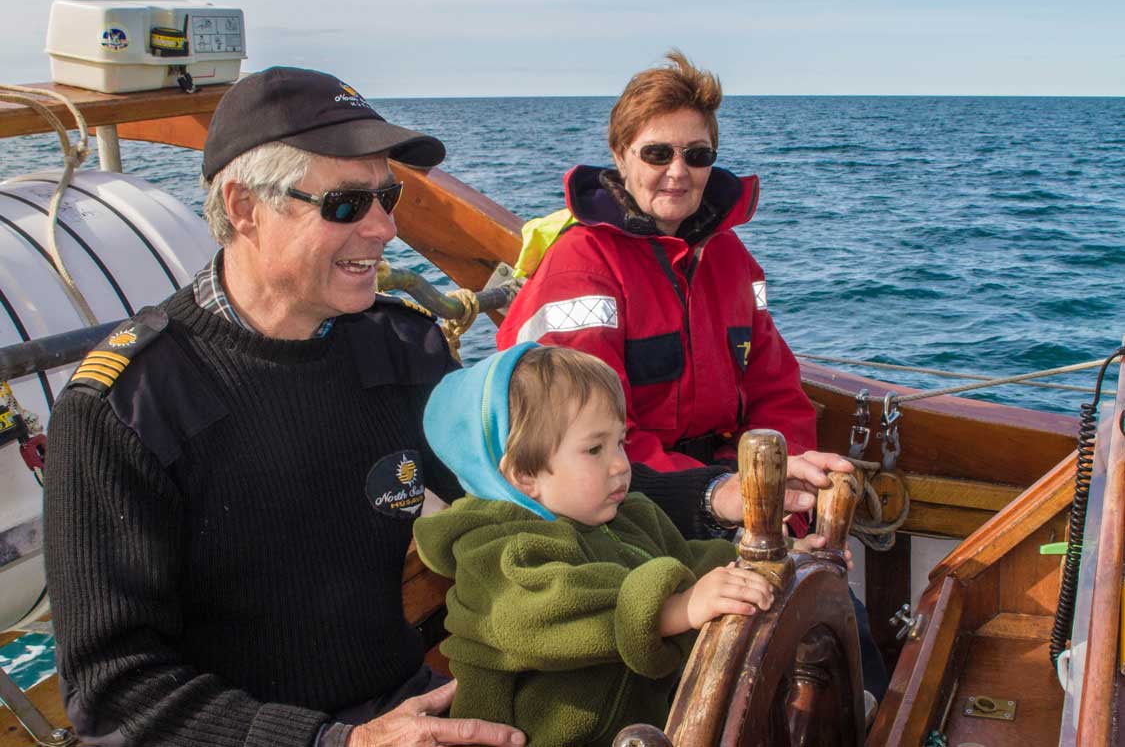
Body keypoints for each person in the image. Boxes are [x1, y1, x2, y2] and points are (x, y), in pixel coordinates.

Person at [40, 65, 843, 747]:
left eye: (387, 196)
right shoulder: (124, 409)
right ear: (246, 207)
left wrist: (711, 495)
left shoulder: (399, 347)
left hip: (413, 705)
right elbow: (113, 688)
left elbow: (519, 482)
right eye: (349, 205)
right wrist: (335, 742)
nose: (387, 229)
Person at [495, 51, 887, 699]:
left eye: (696, 155)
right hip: (614, 504)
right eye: (656, 153)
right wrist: (722, 498)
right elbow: (578, 442)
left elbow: (774, 391)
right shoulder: (581, 266)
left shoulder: (729, 259)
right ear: (619, 156)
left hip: (724, 490)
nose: (677, 172)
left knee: (836, 620)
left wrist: (785, 503)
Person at [413, 343, 779, 747]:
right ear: (524, 474)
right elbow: (548, 611)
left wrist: (764, 561)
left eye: (620, 441)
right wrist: (675, 609)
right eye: (594, 449)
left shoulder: (629, 517)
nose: (622, 463)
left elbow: (691, 561)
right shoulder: (498, 551)